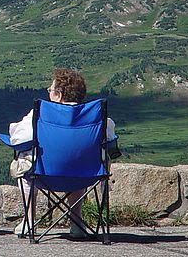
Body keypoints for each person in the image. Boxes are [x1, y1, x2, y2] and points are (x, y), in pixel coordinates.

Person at [8, 68, 118, 239]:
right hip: (87, 176)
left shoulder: (39, 114)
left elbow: (17, 140)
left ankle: (29, 221)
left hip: (45, 175)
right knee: (80, 159)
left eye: (50, 90)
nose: (49, 93)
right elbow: (111, 140)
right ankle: (77, 222)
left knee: (23, 160)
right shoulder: (99, 118)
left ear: (58, 94)